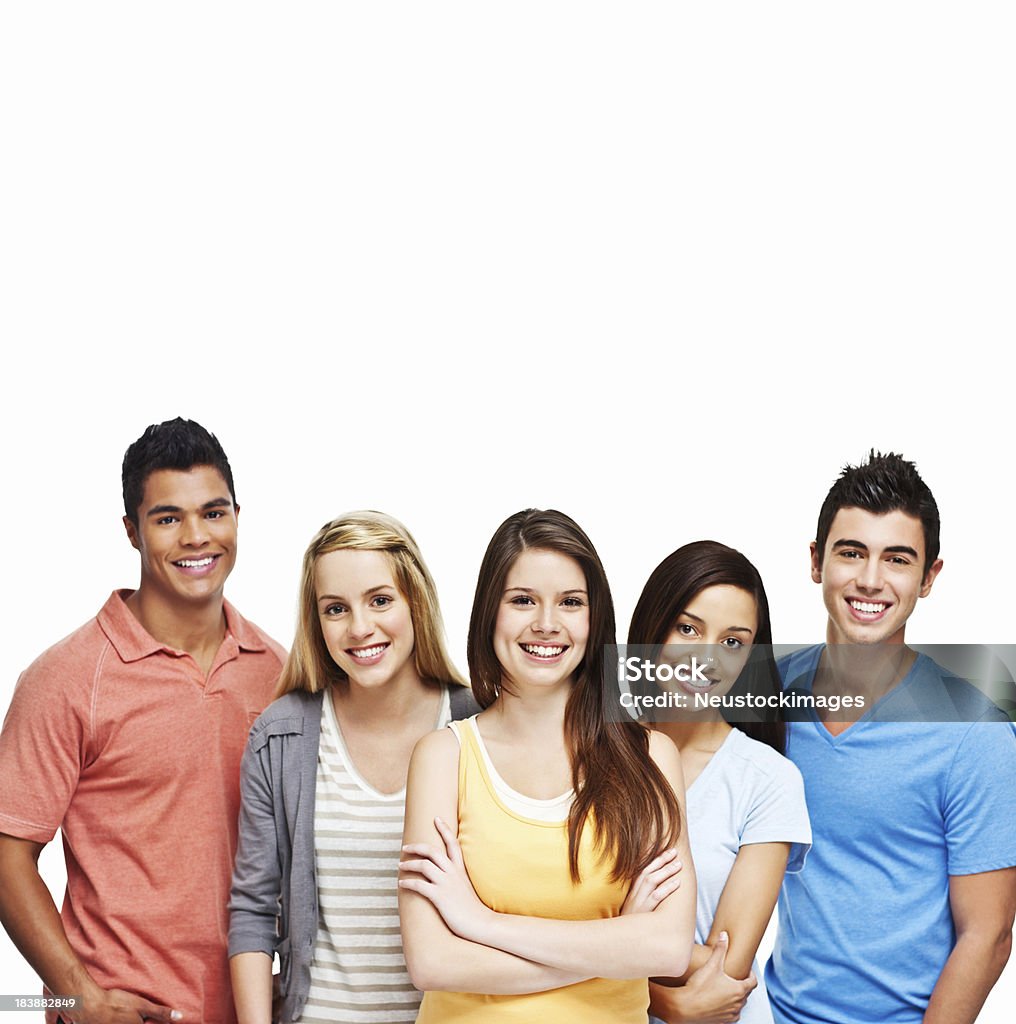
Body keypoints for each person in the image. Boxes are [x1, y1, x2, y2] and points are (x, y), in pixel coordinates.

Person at [0, 417, 286, 1024]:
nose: (195, 537)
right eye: (167, 518)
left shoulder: (279, 671)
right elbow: (7, 854)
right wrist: (76, 994)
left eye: (213, 513)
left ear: (238, 515)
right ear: (132, 531)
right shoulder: (68, 677)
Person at [398, 508, 697, 1023]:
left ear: (593, 618)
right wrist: (613, 948)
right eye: (522, 601)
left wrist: (478, 922)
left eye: (570, 602)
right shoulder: (442, 758)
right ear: (490, 612)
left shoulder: (651, 756)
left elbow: (667, 948)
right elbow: (431, 961)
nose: (546, 624)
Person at [764, 451, 1016, 1024]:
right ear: (815, 560)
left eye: (897, 559)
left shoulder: (974, 730)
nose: (870, 580)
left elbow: (990, 932)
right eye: (851, 552)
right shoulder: (766, 696)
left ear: (929, 577)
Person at [228, 511, 479, 1024]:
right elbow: (253, 912)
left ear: (417, 602)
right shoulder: (281, 736)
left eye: (380, 600)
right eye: (336, 609)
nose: (360, 628)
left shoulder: (476, 724)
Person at [627, 540, 811, 1024]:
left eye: (732, 642)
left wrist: (594, 948)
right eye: (688, 628)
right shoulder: (591, 754)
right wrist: (663, 1000)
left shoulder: (768, 780)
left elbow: (723, 969)